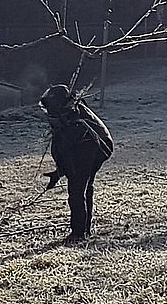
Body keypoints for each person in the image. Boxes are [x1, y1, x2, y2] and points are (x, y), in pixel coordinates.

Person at [39, 83, 114, 242]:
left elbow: (67, 150)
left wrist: (61, 171)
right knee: (83, 187)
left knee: (76, 189)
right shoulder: (66, 115)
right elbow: (62, 148)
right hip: (94, 146)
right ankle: (84, 229)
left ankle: (78, 233)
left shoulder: (74, 120)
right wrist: (58, 171)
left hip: (95, 147)